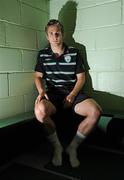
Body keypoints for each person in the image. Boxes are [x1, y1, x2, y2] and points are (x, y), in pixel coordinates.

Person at [34, 19, 102, 168]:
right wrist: (41, 91)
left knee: (95, 111)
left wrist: (72, 95)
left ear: (63, 34)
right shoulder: (42, 55)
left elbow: (81, 78)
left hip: (74, 92)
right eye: (51, 33)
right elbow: (38, 76)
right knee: (39, 111)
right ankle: (57, 148)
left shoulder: (75, 52)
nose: (55, 35)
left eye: (58, 32)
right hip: (53, 93)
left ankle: (73, 148)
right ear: (47, 36)